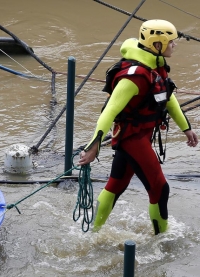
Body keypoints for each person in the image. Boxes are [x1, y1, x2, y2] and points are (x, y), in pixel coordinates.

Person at [78, 19, 198, 235]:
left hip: (139, 136)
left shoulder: (156, 68)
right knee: (161, 189)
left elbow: (167, 98)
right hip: (132, 139)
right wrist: (93, 145)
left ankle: (92, 234)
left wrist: (186, 128)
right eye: (171, 41)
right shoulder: (135, 77)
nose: (175, 45)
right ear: (158, 44)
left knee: (115, 185)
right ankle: (161, 240)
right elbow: (109, 111)